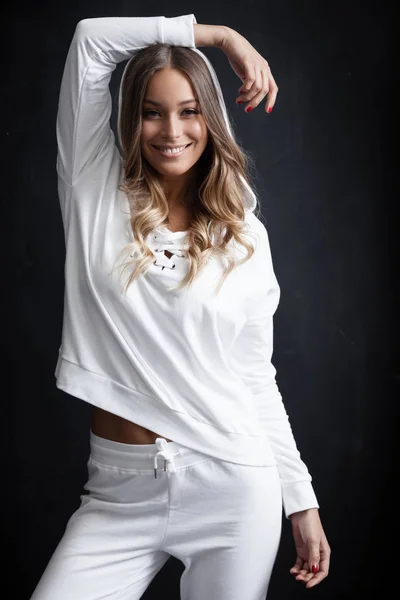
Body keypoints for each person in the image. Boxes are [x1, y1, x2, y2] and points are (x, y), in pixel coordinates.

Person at [30, 13, 330, 600]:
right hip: (117, 491)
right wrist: (221, 37)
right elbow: (91, 39)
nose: (172, 130)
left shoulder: (243, 236)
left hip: (234, 485)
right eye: (152, 111)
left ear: (210, 120)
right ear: (130, 119)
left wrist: (301, 499)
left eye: (190, 110)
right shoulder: (92, 187)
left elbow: (253, 375)